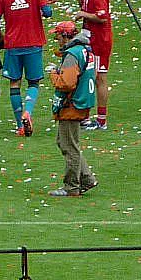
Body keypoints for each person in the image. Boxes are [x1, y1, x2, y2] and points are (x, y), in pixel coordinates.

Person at [0, 0, 53, 136]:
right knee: (33, 82)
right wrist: (45, 5)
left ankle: (20, 124)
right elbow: (47, 12)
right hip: (33, 42)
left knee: (14, 83)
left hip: (13, 44)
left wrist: (1, 34)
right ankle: (28, 111)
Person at [46, 21, 98, 196]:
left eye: (58, 36)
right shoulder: (85, 50)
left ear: (66, 35)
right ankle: (87, 178)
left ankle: (72, 186)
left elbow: (66, 83)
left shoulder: (72, 54)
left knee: (69, 146)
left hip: (72, 104)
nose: (57, 39)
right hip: (81, 101)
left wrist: (53, 74)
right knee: (65, 142)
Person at [74, 0, 113, 130]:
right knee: (89, 75)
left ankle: (101, 120)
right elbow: (82, 5)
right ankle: (87, 116)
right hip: (91, 37)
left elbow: (102, 17)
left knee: (99, 77)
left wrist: (83, 14)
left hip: (99, 40)